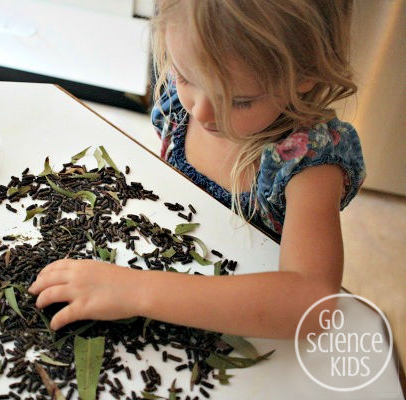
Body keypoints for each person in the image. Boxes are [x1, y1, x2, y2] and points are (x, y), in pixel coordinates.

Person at [29, 0, 366, 339]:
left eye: (240, 100)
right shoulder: (179, 103)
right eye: (187, 77)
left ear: (304, 76)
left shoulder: (309, 162)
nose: (202, 112)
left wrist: (136, 290)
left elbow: (312, 305)